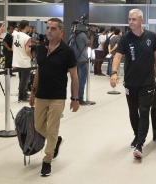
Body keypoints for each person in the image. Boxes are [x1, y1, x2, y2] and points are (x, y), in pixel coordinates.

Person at [110, 9, 156, 158]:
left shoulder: (151, 37)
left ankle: (140, 144)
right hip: (130, 83)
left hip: (147, 82)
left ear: (141, 20)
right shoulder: (125, 38)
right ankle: (137, 134)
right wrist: (113, 72)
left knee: (144, 111)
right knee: (133, 112)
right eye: (129, 19)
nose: (131, 22)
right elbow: (117, 57)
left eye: (134, 19)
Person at [29, 18, 79, 177]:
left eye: (53, 29)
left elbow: (74, 76)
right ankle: (56, 141)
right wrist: (33, 91)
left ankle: (47, 160)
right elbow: (38, 71)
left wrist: (75, 98)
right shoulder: (41, 49)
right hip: (41, 95)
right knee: (38, 127)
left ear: (60, 32)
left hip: (58, 97)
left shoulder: (67, 51)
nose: (49, 31)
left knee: (52, 128)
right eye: (48, 28)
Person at [70, 23, 94, 106]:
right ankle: (80, 98)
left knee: (74, 79)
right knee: (82, 81)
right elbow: (90, 44)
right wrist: (92, 34)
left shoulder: (72, 35)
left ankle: (73, 97)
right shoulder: (82, 35)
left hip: (74, 60)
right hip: (82, 60)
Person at [12, 20, 32, 102]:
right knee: (25, 79)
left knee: (21, 79)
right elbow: (27, 50)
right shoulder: (27, 37)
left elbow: (13, 47)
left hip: (17, 60)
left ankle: (23, 93)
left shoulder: (15, 34)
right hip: (25, 62)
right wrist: (31, 56)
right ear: (27, 27)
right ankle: (22, 96)